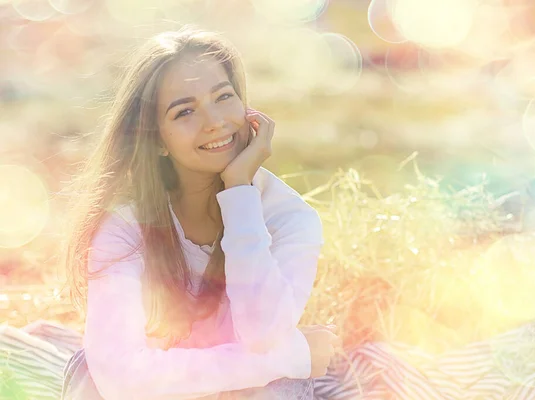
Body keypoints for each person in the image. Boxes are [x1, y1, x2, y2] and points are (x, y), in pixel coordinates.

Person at [60, 26, 341, 399]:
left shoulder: (288, 218)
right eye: (185, 111)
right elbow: (120, 377)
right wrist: (290, 355)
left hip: (237, 392)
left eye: (224, 97)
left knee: (282, 384)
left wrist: (240, 191)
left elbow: (262, 334)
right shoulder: (126, 224)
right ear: (156, 139)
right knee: (89, 372)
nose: (214, 121)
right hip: (154, 392)